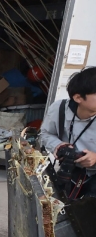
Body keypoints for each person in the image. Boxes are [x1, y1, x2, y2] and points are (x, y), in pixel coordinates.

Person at [39, 67, 96, 198]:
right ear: (78, 97)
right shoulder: (59, 109)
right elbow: (46, 134)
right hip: (70, 171)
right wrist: (59, 146)